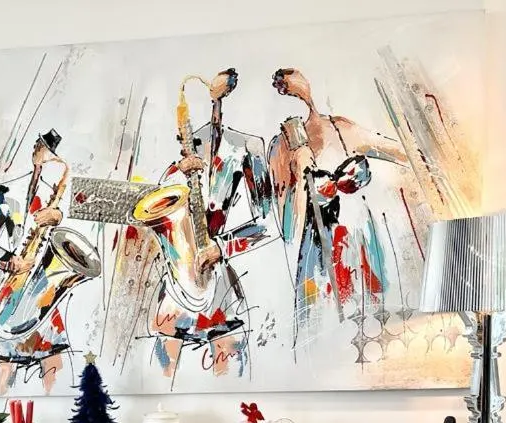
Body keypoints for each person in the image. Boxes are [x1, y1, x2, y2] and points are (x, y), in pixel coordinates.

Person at [268, 67, 408, 348]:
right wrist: (302, 171)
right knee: (326, 331)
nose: (288, 85)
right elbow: (288, 229)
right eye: (282, 85)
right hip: (320, 250)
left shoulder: (341, 128)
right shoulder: (281, 147)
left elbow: (401, 152)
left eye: (292, 79)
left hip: (361, 241)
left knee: (377, 323)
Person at [151, 67, 274, 379]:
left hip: (217, 282)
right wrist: (177, 173)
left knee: (228, 374)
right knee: (162, 376)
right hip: (178, 280)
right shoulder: (183, 149)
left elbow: (268, 224)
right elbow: (157, 209)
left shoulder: (249, 147)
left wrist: (221, 248)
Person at [0, 130, 72, 394]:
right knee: (6, 366)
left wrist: (58, 217)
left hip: (42, 292)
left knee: (54, 363)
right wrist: (9, 260)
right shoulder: (5, 191)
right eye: (43, 149)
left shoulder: (50, 197)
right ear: (35, 149)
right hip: (11, 293)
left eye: (50, 153)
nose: (46, 157)